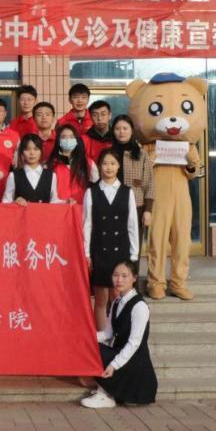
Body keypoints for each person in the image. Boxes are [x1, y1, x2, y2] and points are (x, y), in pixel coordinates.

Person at [79, 259, 157, 409]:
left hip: (134, 361)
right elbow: (108, 333)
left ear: (134, 278)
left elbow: (134, 343)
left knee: (99, 352)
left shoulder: (139, 306)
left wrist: (114, 365)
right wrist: (85, 338)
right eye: (115, 275)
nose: (119, 280)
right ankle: (106, 390)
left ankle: (105, 394)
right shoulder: (116, 302)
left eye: (124, 276)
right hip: (120, 354)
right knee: (89, 346)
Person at [83, 148, 139, 331]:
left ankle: (117, 336)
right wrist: (86, 253)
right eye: (105, 164)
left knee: (118, 296)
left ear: (119, 166)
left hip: (120, 250)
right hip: (99, 250)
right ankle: (101, 337)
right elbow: (87, 225)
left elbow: (132, 225)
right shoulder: (91, 192)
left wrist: (134, 254)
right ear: (99, 166)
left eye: (112, 163)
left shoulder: (127, 192)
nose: (109, 167)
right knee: (100, 299)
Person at [110, 114, 154, 238]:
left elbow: (149, 183)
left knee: (134, 244)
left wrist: (148, 210)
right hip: (112, 205)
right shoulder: (108, 153)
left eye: (125, 128)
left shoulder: (142, 154)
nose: (121, 132)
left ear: (132, 131)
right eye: (117, 129)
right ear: (113, 131)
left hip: (136, 206)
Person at [48, 123, 98, 207]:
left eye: (71, 137)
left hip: (82, 209)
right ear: (58, 141)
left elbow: (97, 189)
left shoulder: (89, 163)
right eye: (64, 137)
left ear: (76, 140)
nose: (68, 140)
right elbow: (48, 193)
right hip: (59, 210)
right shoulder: (50, 165)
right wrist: (64, 202)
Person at [2, 134, 61, 204]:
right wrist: (15, 202)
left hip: (44, 211)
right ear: (22, 152)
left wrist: (66, 202)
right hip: (22, 211)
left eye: (36, 149)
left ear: (41, 151)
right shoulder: (13, 175)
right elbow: (6, 201)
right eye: (27, 149)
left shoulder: (51, 175)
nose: (32, 153)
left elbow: (54, 200)